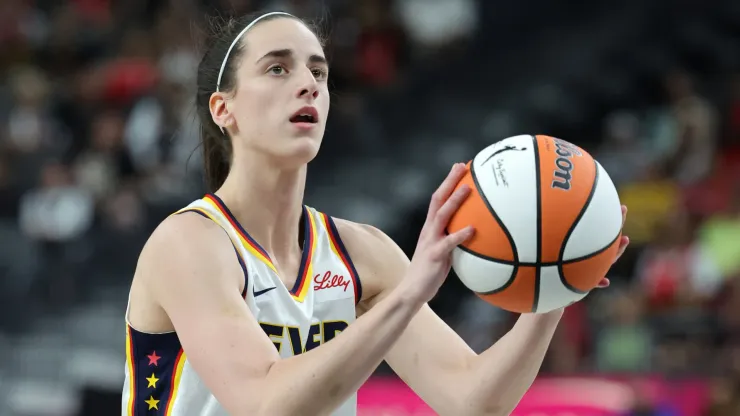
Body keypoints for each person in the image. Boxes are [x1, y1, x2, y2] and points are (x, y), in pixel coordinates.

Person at [121, 11, 629, 416]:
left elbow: (475, 400)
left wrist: (557, 277)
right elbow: (264, 404)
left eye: (317, 70)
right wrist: (410, 292)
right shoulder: (189, 243)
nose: (309, 84)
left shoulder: (362, 252)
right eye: (278, 67)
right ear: (222, 109)